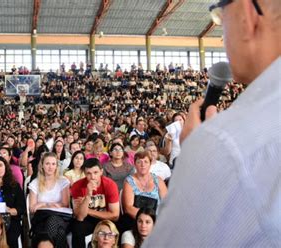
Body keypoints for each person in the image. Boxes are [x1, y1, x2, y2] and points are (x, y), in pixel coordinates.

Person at [144, 1, 281, 247]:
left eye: (220, 18)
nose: (221, 38)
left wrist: (198, 152)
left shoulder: (223, 142)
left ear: (246, 18)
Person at [70, 158, 119, 248]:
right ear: (84, 173)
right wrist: (88, 195)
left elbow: (115, 215)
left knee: (119, 226)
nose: (92, 177)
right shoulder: (77, 186)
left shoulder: (110, 185)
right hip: (87, 220)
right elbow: (80, 217)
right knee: (77, 227)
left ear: (101, 172)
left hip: (106, 219)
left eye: (95, 173)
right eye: (89, 173)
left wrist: (87, 209)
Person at [29, 152, 71, 247]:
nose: (50, 167)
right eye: (47, 163)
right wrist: (53, 204)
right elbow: (32, 208)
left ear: (56, 166)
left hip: (61, 218)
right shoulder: (35, 183)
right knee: (60, 232)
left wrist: (43, 204)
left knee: (53, 220)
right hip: (41, 219)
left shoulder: (63, 181)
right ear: (42, 165)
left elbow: (65, 204)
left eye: (53, 164)